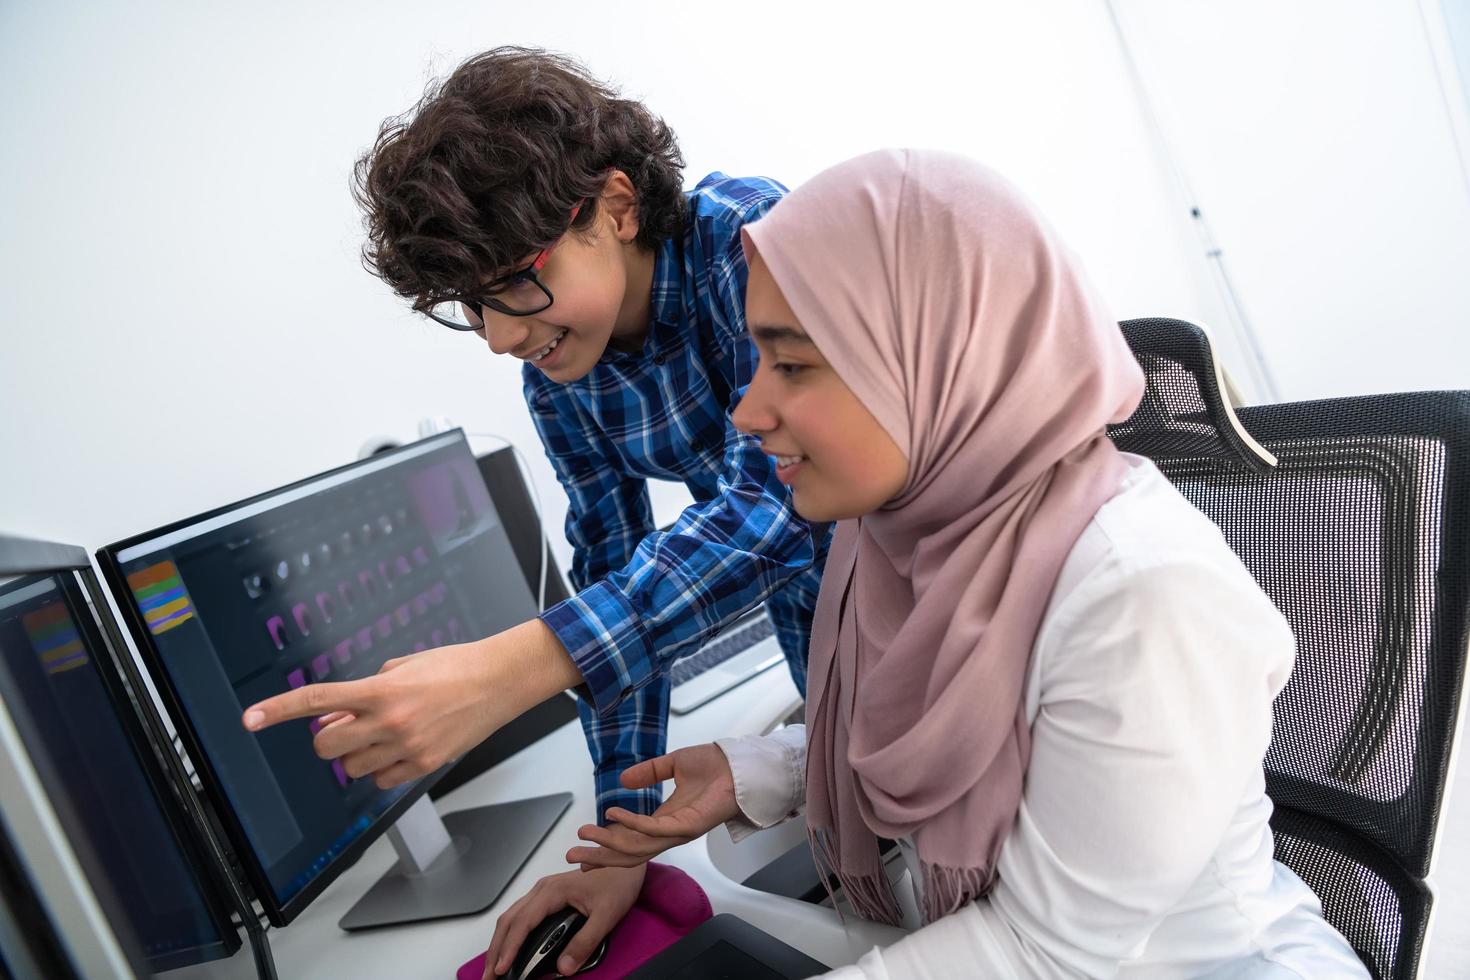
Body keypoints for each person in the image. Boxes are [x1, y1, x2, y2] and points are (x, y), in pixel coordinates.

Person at [558, 149, 1370, 978]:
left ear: (936, 357)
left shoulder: (1142, 595)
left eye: (792, 364)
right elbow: (976, 736)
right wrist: (759, 771)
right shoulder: (906, 537)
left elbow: (1042, 952)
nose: (748, 410)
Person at [240, 48, 826, 969]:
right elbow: (608, 556)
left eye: (516, 279)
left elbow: (789, 504)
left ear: (619, 207)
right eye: (472, 306)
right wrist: (619, 840)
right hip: (833, 663)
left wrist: (520, 667)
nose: (503, 337)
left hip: (950, 625)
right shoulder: (560, 371)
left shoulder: (755, 245)